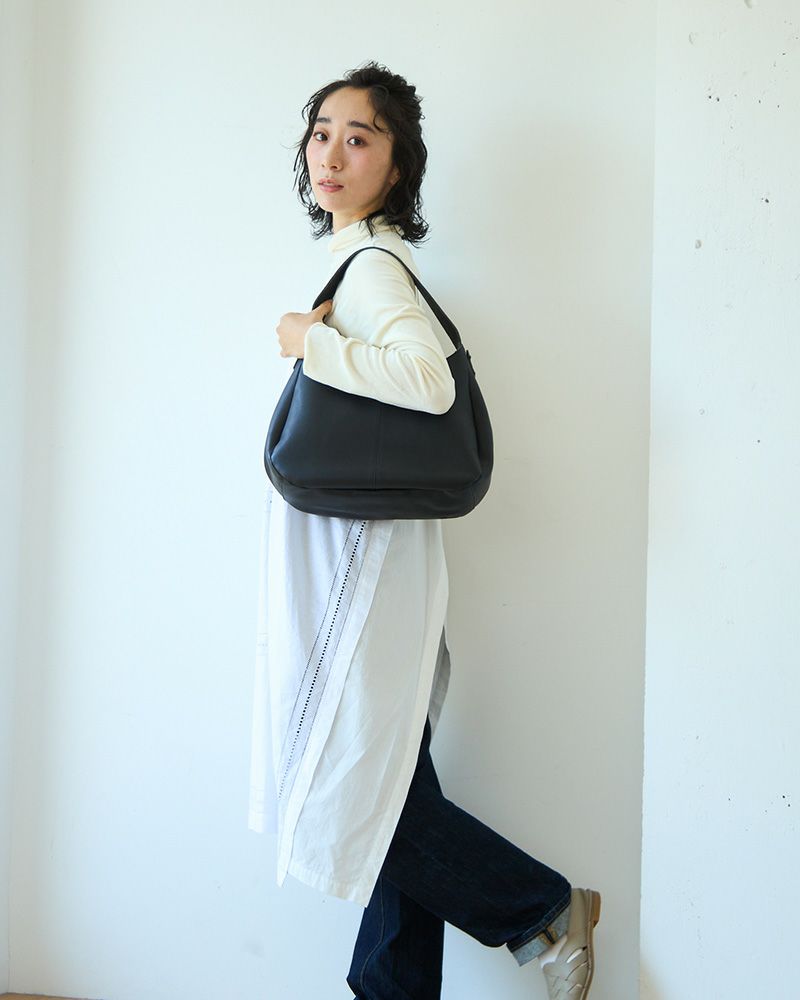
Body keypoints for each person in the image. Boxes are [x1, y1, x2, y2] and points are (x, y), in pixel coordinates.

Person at [248, 60, 602, 1000]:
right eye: (321, 133)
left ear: (397, 165)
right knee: (391, 779)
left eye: (358, 138)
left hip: (364, 576)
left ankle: (539, 907)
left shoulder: (373, 270)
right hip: (370, 564)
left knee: (356, 786)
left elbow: (428, 383)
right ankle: (399, 987)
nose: (331, 153)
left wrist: (309, 342)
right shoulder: (362, 263)